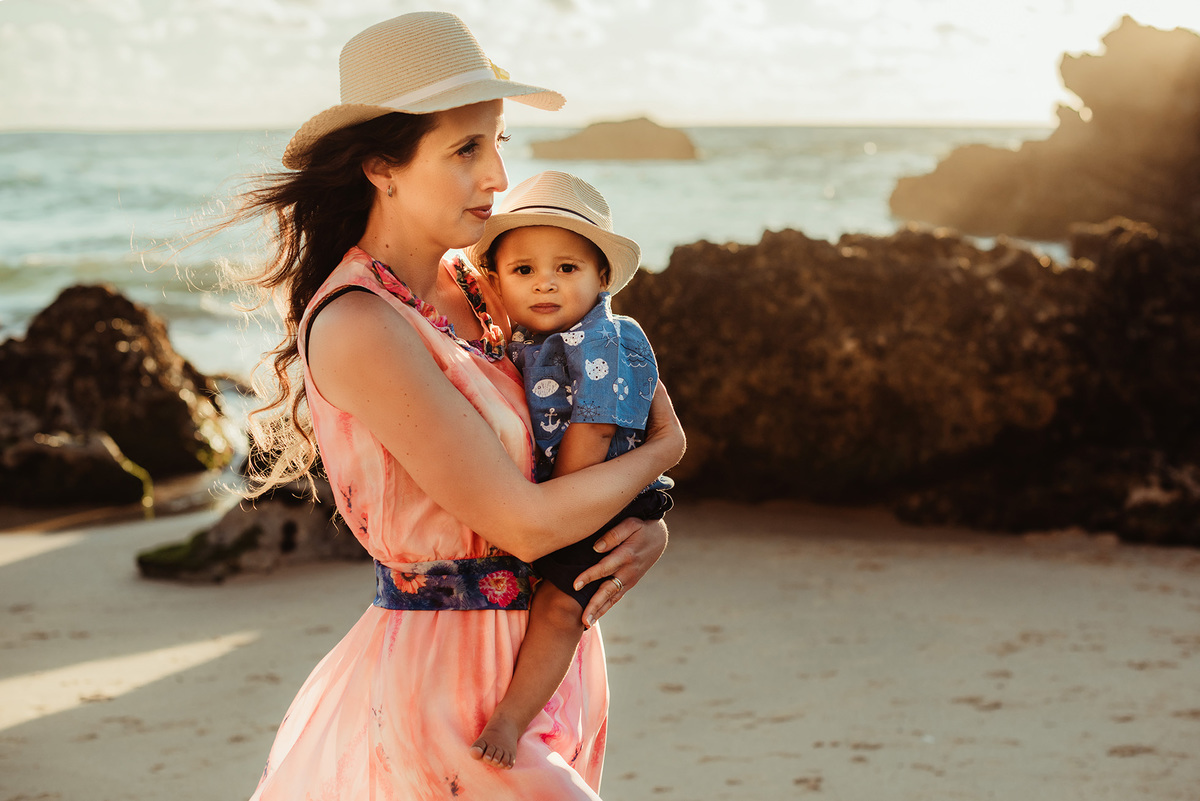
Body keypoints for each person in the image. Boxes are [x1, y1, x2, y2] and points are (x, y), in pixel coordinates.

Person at [230, 12, 685, 801]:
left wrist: (645, 526)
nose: (499, 176)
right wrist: (665, 455)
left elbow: (592, 409)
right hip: (450, 687)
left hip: (545, 659)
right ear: (382, 166)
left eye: (498, 141)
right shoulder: (359, 321)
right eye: (466, 149)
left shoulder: (481, 284)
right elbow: (526, 523)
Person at [463, 170, 673, 770]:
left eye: (566, 268)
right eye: (523, 270)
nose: (545, 282)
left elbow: (597, 427)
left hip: (597, 491)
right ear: (495, 279)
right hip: (568, 497)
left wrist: (556, 509)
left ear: (601, 278)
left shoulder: (604, 337)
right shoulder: (526, 337)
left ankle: (510, 719)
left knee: (560, 609)